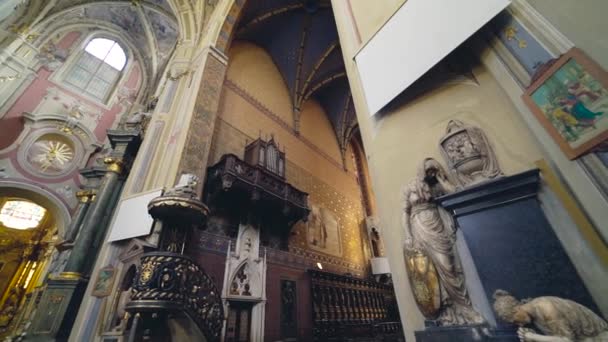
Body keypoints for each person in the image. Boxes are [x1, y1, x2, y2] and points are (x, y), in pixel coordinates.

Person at [402, 158, 482, 325]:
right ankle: (445, 312)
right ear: (421, 171)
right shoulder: (410, 187)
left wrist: (440, 178)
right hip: (419, 227)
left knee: (449, 267)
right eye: (429, 170)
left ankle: (465, 309)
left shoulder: (436, 186)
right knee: (428, 270)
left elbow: (453, 193)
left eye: (434, 170)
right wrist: (408, 235)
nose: (431, 173)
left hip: (437, 225)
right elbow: (405, 213)